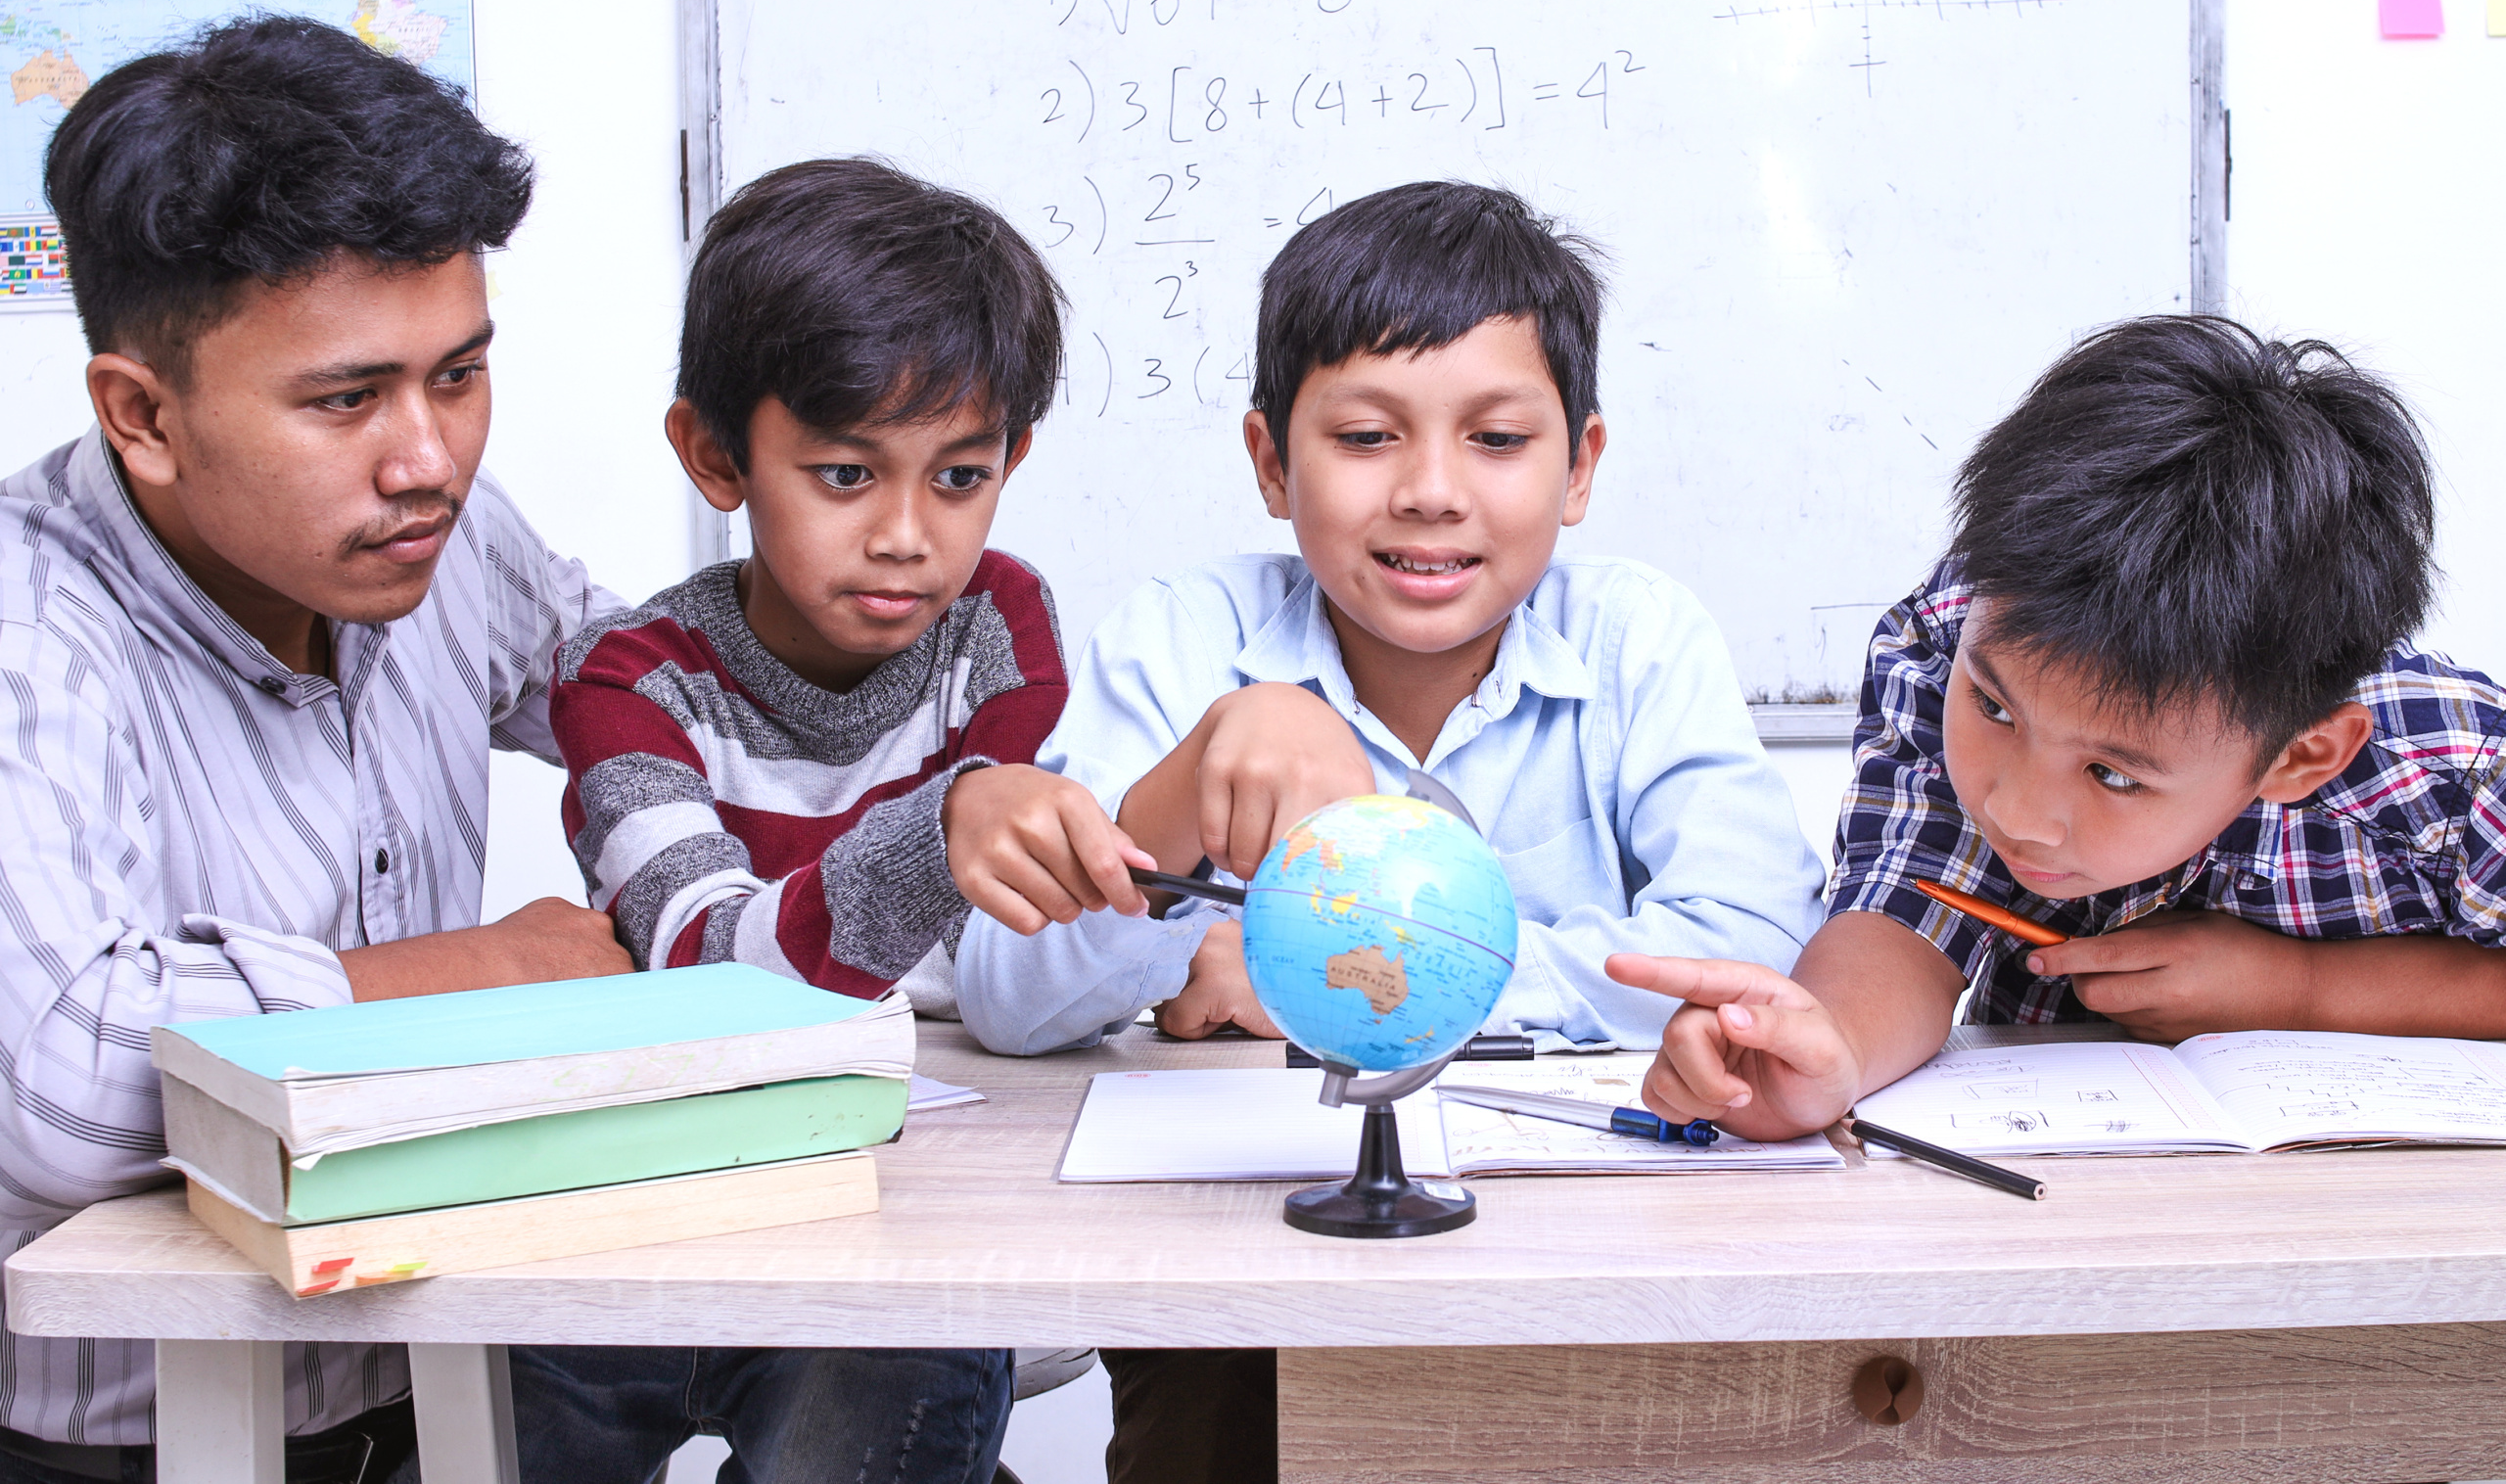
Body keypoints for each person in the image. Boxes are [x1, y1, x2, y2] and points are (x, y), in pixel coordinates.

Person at [950, 180, 1826, 1484]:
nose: (1429, 492)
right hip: (1246, 1261)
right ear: (1269, 461)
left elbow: (1756, 946)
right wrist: (1183, 784)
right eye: (1365, 436)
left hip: (1584, 1248)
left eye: (1496, 438)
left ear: (1580, 465)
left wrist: (1351, 974)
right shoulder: (1184, 637)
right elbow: (1009, 1000)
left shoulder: (1639, 637)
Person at [0, 17, 630, 1482]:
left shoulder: (422, 530)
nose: (429, 457)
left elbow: (643, 694)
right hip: (108, 1453)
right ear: (141, 414)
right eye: (346, 398)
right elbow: (58, 1089)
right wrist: (480, 974)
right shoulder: (28, 634)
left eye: (459, 374)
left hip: (420, 1399)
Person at [546, 157, 1111, 1482]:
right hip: (657, 1209)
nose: (910, 535)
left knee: (905, 1365)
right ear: (715, 455)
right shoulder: (629, 679)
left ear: (1012, 459)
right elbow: (708, 977)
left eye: (961, 475)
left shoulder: (997, 628)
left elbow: (998, 965)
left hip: (901, 1203)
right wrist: (942, 831)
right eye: (847, 473)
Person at [1617, 316, 2506, 1144]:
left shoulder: (2456, 775)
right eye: (1995, 709)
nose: (2020, 813)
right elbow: (1906, 917)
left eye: (2115, 775)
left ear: (2302, 757)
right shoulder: (1941, 648)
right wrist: (1830, 1053)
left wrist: (2302, 990)